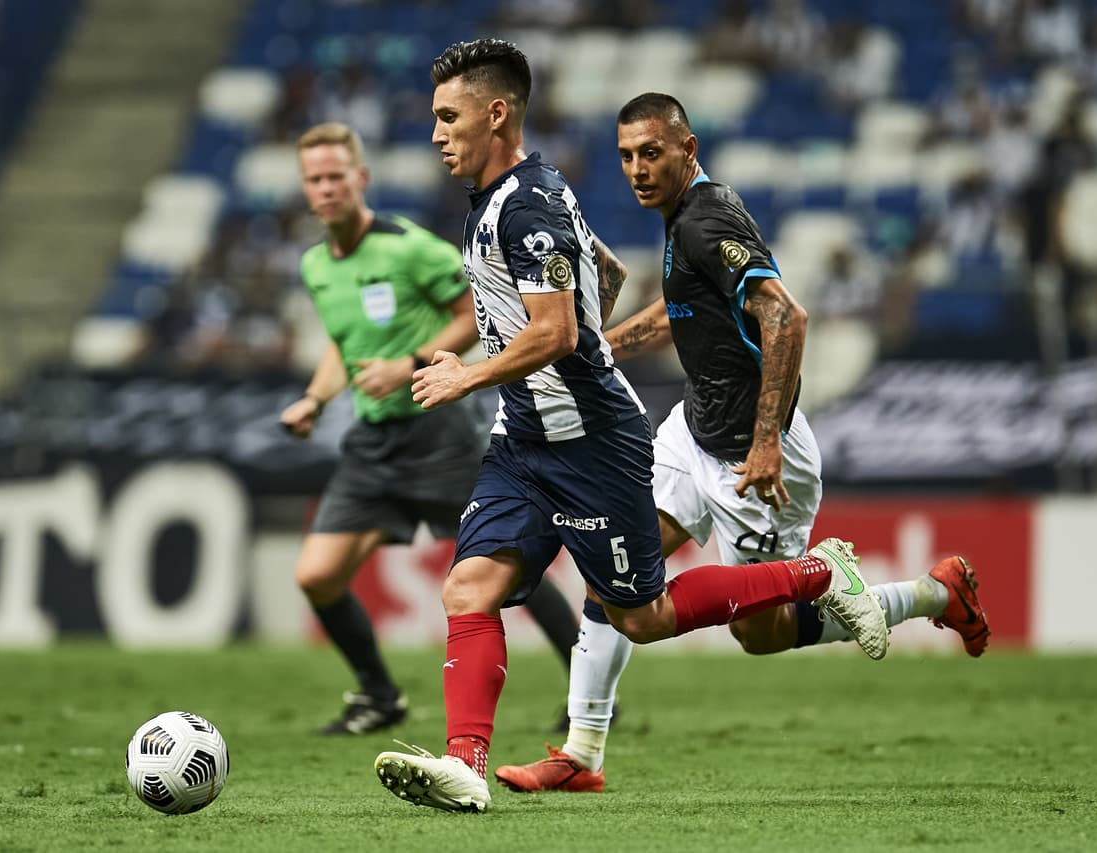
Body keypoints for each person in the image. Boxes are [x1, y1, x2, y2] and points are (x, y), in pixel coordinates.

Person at [372, 39, 889, 814]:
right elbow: (604, 274)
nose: (437, 133)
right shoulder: (507, 196)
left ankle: (818, 575)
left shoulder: (530, 205)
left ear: (496, 114)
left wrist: (469, 373)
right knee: (468, 587)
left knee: (640, 617)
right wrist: (586, 339)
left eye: (449, 117)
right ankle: (465, 764)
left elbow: (556, 332)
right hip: (524, 439)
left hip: (590, 443)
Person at [494, 93, 992, 795]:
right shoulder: (684, 219)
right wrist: (602, 348)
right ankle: (582, 753)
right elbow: (683, 308)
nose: (637, 170)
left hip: (753, 458)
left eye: (651, 153)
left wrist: (763, 446)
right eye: (626, 156)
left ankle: (930, 594)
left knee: (760, 633)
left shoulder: (707, 219)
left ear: (687, 149)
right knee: (617, 570)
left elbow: (786, 317)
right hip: (692, 432)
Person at [279, 122, 583, 735]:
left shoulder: (408, 247)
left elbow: (476, 311)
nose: (327, 188)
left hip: (441, 434)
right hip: (375, 444)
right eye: (315, 179)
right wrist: (315, 397)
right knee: (317, 575)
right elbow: (344, 344)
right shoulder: (315, 265)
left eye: (336, 176)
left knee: (512, 566)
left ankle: (588, 690)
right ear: (305, 189)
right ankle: (379, 696)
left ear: (361, 179)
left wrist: (410, 363)